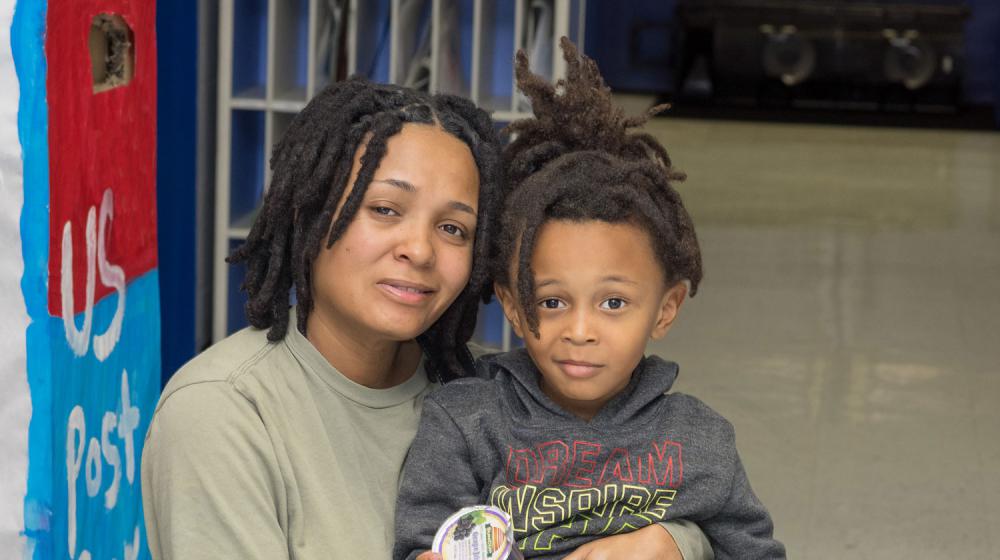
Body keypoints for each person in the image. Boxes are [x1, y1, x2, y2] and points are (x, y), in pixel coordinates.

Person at [141, 77, 711, 559]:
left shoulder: (495, 392)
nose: (420, 249)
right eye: (385, 209)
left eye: (453, 228)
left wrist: (676, 542)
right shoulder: (221, 414)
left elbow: (682, 502)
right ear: (309, 210)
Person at [394, 39, 784, 560]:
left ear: (666, 309)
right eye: (552, 302)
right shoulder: (466, 421)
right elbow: (421, 541)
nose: (580, 330)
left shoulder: (698, 440)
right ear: (512, 305)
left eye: (613, 303)